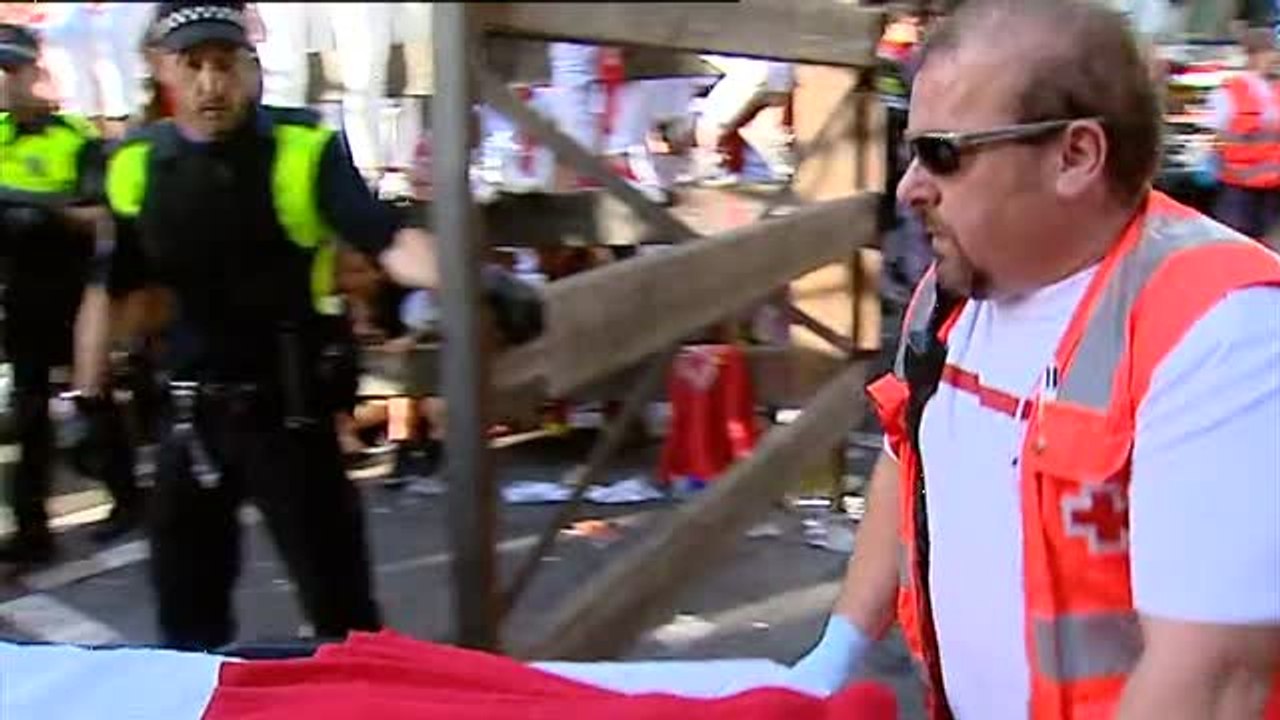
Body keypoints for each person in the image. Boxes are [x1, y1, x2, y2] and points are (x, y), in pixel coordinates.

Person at [785, 2, 1280, 719]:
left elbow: (1210, 683)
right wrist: (834, 655)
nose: (909, 188)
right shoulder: (952, 290)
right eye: (909, 153)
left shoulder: (1220, 331)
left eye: (943, 155)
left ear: (1075, 156)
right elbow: (909, 450)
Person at [90, 1, 520, 651]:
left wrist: (474, 282)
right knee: (185, 620)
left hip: (289, 419)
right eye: (194, 65)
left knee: (343, 619)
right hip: (190, 417)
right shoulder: (136, 163)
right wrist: (90, 398)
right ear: (165, 72)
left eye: (226, 63)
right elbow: (114, 286)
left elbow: (388, 240)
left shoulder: (304, 149)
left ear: (252, 69)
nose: (212, 83)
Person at [0, 22, 140, 568]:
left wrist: (39, 211)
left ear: (39, 74)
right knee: (30, 412)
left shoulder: (75, 138)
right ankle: (32, 530)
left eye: (15, 71)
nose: (7, 84)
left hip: (76, 290)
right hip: (22, 290)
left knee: (94, 396)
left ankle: (128, 500)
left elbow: (96, 216)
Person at [1208, 26, 1280, 239]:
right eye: (1270, 53)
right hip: (1238, 189)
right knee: (1234, 244)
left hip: (1272, 189)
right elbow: (1218, 135)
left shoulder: (1276, 90)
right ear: (1253, 55)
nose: (1274, 59)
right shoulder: (1229, 90)